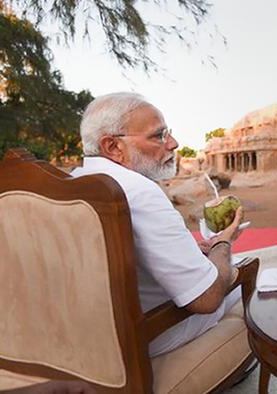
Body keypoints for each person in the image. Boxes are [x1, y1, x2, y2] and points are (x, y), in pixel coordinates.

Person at [71, 92, 243, 356]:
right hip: (145, 336)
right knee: (244, 272)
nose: (173, 143)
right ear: (113, 147)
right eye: (158, 135)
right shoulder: (139, 191)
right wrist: (223, 241)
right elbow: (206, 299)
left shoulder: (75, 182)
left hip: (90, 335)